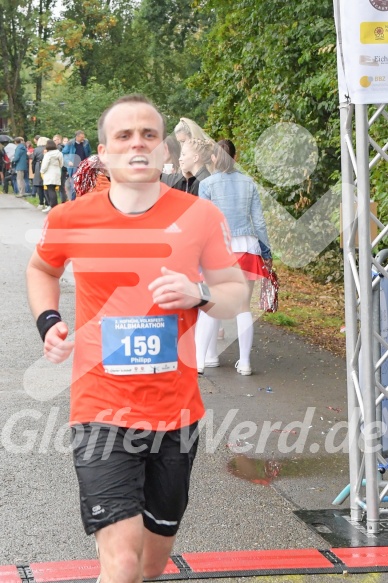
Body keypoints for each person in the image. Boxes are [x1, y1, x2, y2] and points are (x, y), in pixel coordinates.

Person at [26, 94, 247, 583]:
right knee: (121, 563)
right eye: (124, 136)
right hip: (100, 409)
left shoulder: (199, 215)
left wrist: (200, 293)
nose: (137, 144)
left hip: (176, 415)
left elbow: (236, 294)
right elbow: (42, 268)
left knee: (149, 565)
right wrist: (48, 320)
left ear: (165, 150)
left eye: (148, 134)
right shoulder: (70, 218)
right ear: (103, 152)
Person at [195, 139, 272, 376]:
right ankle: (245, 363)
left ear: (215, 159)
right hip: (247, 248)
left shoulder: (207, 184)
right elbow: (258, 222)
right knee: (242, 306)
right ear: (235, 158)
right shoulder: (249, 184)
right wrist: (266, 252)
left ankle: (200, 361)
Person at [62, 130, 92, 200]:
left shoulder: (86, 143)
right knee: (74, 186)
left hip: (84, 166)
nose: (83, 139)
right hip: (74, 167)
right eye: (81, 137)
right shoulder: (70, 143)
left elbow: (89, 152)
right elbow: (64, 153)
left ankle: (82, 202)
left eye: (83, 137)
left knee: (84, 186)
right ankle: (73, 202)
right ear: (77, 137)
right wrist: (68, 161)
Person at [40, 139, 63, 212]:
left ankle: (53, 206)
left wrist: (42, 171)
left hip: (49, 172)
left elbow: (45, 165)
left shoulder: (48, 154)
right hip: (56, 172)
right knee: (53, 189)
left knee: (50, 189)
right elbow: (61, 164)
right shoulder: (59, 153)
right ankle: (54, 206)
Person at [32, 136, 49, 210]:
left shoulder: (36, 149)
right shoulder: (48, 149)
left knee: (39, 185)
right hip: (47, 166)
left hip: (38, 166)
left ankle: (41, 202)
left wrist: (33, 170)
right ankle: (48, 202)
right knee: (47, 185)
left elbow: (33, 160)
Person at [53, 134, 68, 203]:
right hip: (64, 168)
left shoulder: (59, 147)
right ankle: (64, 200)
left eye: (55, 140)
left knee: (61, 186)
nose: (54, 141)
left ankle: (63, 201)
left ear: (59, 140)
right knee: (62, 186)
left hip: (61, 168)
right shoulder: (64, 147)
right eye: (54, 140)